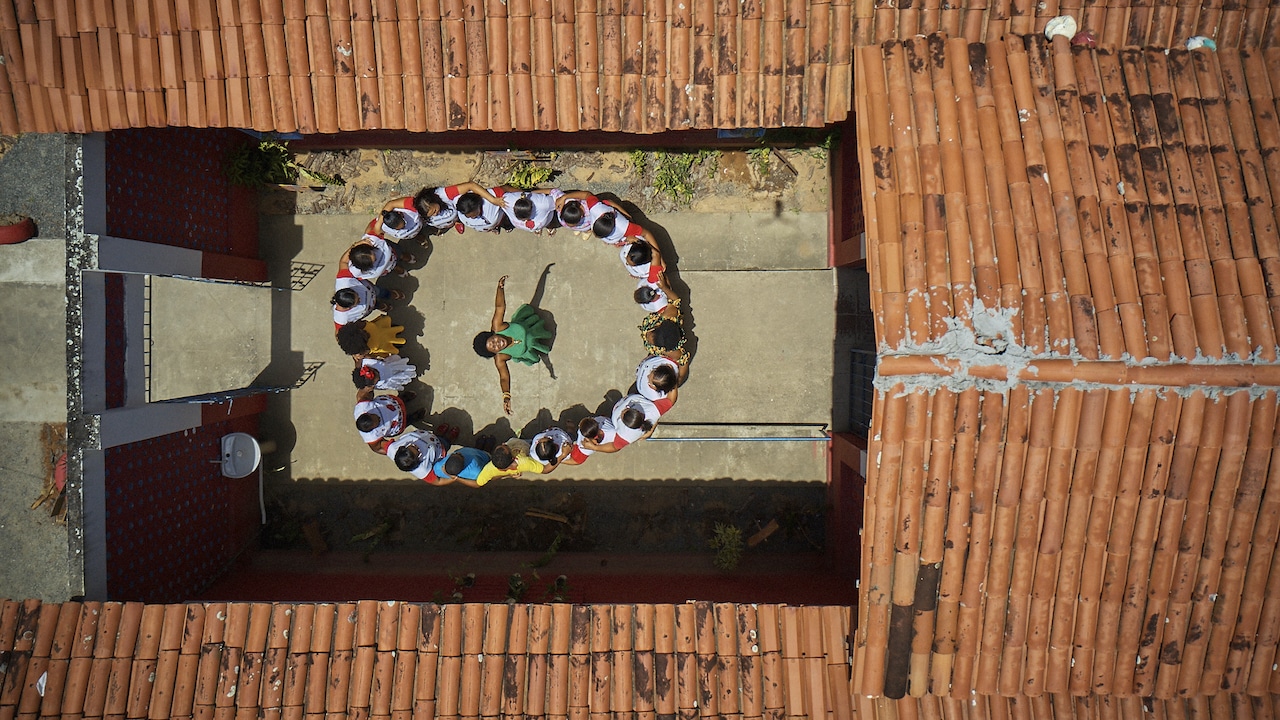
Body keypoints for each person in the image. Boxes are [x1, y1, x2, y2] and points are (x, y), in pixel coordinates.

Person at [472, 275, 553, 415]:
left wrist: (500, 288)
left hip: (530, 326)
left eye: (493, 341)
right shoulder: (500, 358)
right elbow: (504, 377)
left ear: (492, 334)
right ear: (494, 353)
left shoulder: (498, 326)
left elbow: (499, 306)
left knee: (534, 332)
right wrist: (506, 396)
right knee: (536, 344)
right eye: (494, 348)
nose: (497, 344)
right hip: (530, 348)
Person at [580, 394, 660, 453]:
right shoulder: (645, 406)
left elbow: (615, 447)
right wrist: (651, 428)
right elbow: (657, 412)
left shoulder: (625, 434)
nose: (625, 408)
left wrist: (594, 447)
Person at [332, 270, 402, 330]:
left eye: (357, 295)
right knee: (376, 305)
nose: (360, 298)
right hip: (369, 308)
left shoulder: (345, 280)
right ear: (348, 308)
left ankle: (389, 294)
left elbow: (343, 262)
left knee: (381, 292)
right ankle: (381, 306)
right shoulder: (342, 319)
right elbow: (339, 334)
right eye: (358, 301)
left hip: (372, 290)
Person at [354, 393, 421, 453]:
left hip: (392, 403)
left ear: (367, 413)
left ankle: (404, 398)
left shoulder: (363, 406)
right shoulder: (372, 437)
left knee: (399, 400)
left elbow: (365, 393)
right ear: (373, 429)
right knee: (406, 421)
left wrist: (369, 387)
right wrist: (393, 451)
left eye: (375, 416)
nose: (378, 417)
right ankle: (412, 418)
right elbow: (378, 448)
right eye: (378, 421)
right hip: (398, 423)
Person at [442, 183, 509, 233]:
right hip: (485, 226)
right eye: (468, 216)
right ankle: (493, 228)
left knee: (505, 223)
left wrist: (493, 200)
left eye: (475, 214)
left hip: (502, 218)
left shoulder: (493, 195)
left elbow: (505, 188)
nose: (473, 217)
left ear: (479, 205)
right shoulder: (456, 201)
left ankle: (503, 225)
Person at [342, 234, 415, 280]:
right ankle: (398, 269)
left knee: (400, 254)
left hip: (394, 253)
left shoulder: (371, 241)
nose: (376, 258)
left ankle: (405, 257)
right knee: (392, 268)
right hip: (387, 269)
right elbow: (343, 263)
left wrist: (357, 244)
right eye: (374, 261)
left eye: (373, 253)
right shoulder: (355, 272)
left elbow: (374, 225)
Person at [474, 439, 547, 485]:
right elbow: (544, 469)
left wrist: (508, 474)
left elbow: (481, 482)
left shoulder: (489, 469)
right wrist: (558, 458)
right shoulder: (525, 462)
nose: (503, 443)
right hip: (527, 446)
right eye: (506, 446)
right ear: (513, 457)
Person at [336, 315, 405, 357]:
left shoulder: (369, 347)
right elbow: (363, 322)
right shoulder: (361, 325)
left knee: (390, 344)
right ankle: (396, 329)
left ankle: (398, 342)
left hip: (383, 344)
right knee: (388, 330)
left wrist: (356, 355)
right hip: (379, 328)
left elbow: (366, 354)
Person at [352, 355, 417, 393]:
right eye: (376, 376)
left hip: (389, 365)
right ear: (372, 385)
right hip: (390, 379)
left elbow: (361, 360)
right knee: (403, 377)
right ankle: (409, 374)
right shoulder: (374, 386)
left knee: (400, 365)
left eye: (374, 370)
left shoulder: (367, 362)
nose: (377, 372)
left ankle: (408, 367)